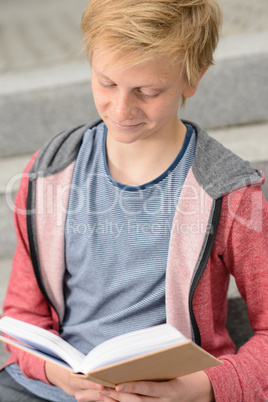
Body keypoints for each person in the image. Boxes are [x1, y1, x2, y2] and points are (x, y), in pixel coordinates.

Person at [0, 0, 267, 401]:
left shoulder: (229, 194)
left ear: (192, 79)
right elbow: (23, 314)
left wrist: (201, 389)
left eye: (147, 91)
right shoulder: (49, 173)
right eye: (106, 83)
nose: (122, 109)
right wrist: (61, 377)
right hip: (53, 387)